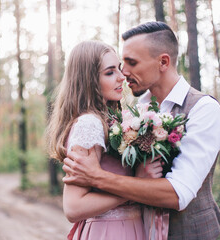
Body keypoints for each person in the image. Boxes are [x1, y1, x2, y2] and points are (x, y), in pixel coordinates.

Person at [62, 22, 220, 239]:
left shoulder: (204, 110)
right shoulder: (133, 110)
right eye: (119, 65)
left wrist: (97, 177)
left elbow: (178, 193)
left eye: (131, 63)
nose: (124, 73)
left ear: (163, 62)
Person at [46, 41, 147, 239]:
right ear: (89, 80)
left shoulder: (109, 119)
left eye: (119, 68)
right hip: (110, 231)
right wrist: (138, 188)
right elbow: (74, 207)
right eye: (109, 72)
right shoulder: (89, 124)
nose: (121, 77)